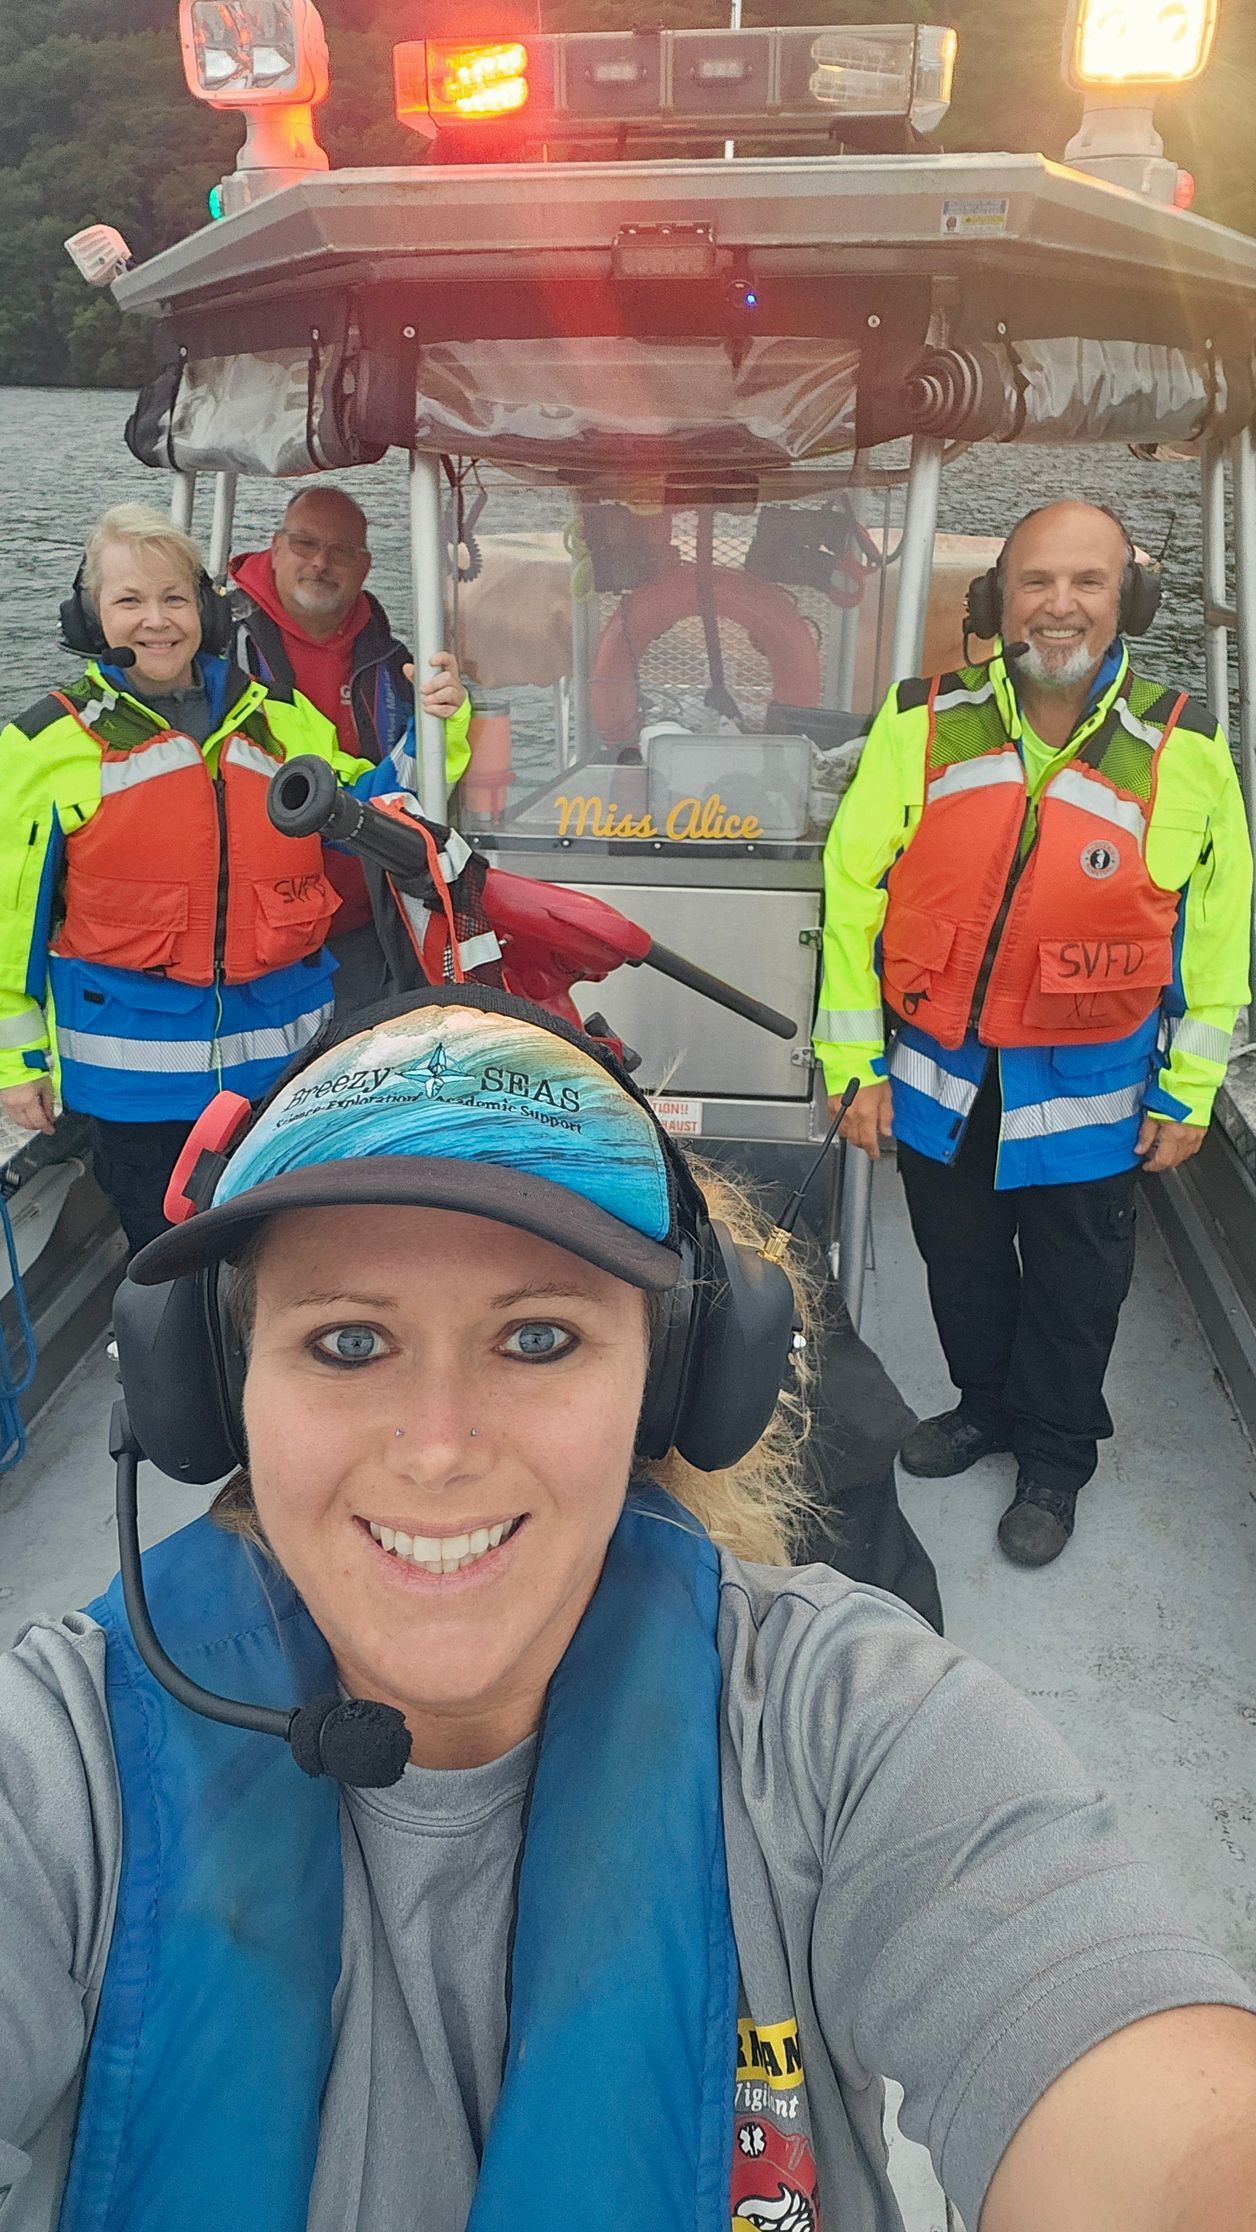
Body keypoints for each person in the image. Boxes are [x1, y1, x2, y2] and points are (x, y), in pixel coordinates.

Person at [1, 982, 1254, 2231]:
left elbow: (1154, 2114)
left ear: (676, 1384)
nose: (436, 1451)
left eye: (537, 1339)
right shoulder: (58, 1769)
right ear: (212, 1389)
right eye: (346, 1343)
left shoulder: (845, 1733)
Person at [814, 500, 1253, 1567]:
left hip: (1094, 1093)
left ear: (1125, 603)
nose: (1059, 607)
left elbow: (1217, 938)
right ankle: (982, 1409)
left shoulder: (1185, 749)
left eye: (1087, 584)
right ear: (995, 601)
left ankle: (1053, 1461)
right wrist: (850, 1062)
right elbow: (851, 890)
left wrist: (1187, 1093)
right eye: (1035, 583)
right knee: (958, 1267)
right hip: (937, 1082)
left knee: (1073, 1291)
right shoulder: (918, 722)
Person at [0, 502, 469, 1256]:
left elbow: (384, 803)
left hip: (281, 1064)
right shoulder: (42, 746)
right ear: (90, 620)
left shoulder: (277, 722)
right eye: (129, 601)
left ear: (207, 612)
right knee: (167, 1256)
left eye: (174, 598)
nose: (156, 622)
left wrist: (438, 724)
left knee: (280, 1250)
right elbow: (8, 921)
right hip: (133, 1084)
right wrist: (14, 1066)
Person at [230, 484, 472, 1011]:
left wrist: (449, 714)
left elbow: (420, 788)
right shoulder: (223, 654)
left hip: (367, 926)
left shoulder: (394, 660)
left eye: (341, 551)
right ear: (274, 547)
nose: (320, 563)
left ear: (364, 567)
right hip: (254, 938)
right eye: (304, 544)